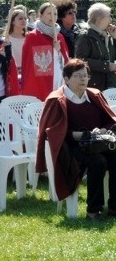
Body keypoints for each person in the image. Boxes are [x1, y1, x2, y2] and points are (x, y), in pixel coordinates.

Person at [36, 58, 116, 220]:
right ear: (66, 79)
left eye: (85, 76)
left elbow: (110, 120)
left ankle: (114, 208)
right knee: (98, 162)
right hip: (69, 147)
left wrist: (102, 130)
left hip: (98, 143)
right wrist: (76, 135)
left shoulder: (95, 95)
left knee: (115, 158)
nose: (83, 79)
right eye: (78, 76)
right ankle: (94, 211)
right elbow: (51, 132)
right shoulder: (56, 99)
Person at [22, 2, 69, 102]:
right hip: (39, 82)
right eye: (49, 13)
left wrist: (58, 51)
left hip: (58, 79)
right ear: (41, 15)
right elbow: (29, 63)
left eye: (55, 14)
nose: (53, 16)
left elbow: (66, 60)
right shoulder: (32, 36)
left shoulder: (59, 36)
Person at [75, 2, 116, 91]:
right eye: (108, 16)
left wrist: (115, 38)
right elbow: (80, 60)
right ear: (99, 19)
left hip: (110, 85)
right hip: (94, 87)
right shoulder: (85, 36)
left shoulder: (108, 35)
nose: (110, 20)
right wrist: (106, 66)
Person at [6, 8, 27, 84]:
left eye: (25, 18)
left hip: (27, 73)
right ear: (12, 21)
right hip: (12, 75)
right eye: (20, 18)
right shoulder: (6, 39)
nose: (24, 21)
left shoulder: (29, 38)